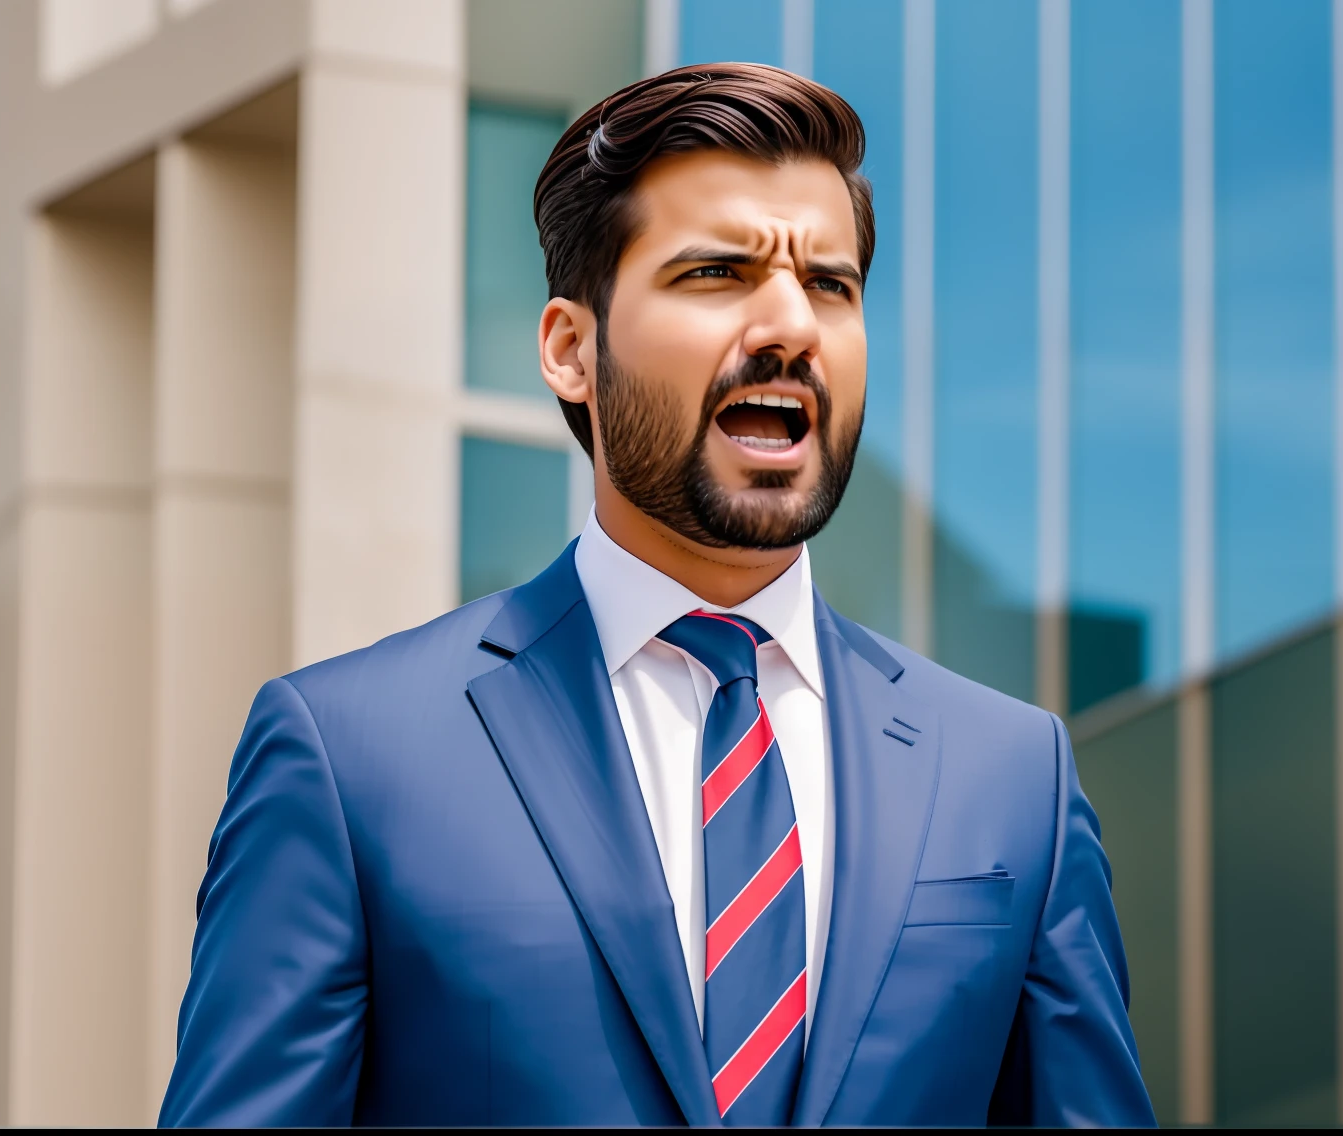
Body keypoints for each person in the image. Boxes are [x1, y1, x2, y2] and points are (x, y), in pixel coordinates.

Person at [158, 62, 1155, 1128]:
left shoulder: (1013, 779)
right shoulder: (349, 757)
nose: (790, 327)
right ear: (571, 350)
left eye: (829, 284)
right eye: (717, 273)